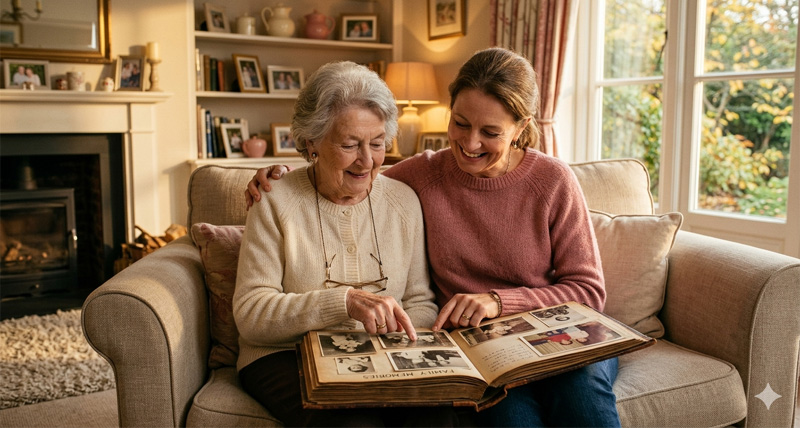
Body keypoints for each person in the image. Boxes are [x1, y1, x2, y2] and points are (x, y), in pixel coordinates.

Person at [246, 48, 620, 427]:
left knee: (582, 398)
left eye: (490, 133)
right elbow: (342, 176)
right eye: (460, 123)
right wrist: (281, 174)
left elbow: (589, 291)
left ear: (520, 129)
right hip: (483, 349)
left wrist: (497, 302)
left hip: (558, 334)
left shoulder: (553, 181)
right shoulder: (421, 176)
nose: (470, 144)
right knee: (511, 421)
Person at [234, 60, 451, 427]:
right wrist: (343, 302)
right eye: (349, 145)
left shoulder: (403, 201)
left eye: (378, 143)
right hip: (284, 355)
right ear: (310, 142)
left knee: (442, 418)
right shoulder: (274, 199)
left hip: (382, 356)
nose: (367, 160)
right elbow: (251, 314)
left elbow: (419, 300)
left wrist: (398, 347)